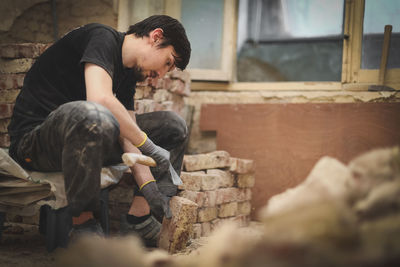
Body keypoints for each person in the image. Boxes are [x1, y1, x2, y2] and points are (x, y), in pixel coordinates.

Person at [7, 15, 191, 247]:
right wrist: (150, 147)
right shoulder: (101, 37)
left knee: (172, 126)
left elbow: (128, 135)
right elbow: (100, 98)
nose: (161, 75)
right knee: (93, 114)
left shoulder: (127, 75)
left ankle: (140, 220)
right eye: (168, 62)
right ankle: (83, 226)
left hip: (86, 137)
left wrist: (149, 187)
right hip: (35, 144)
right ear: (156, 37)